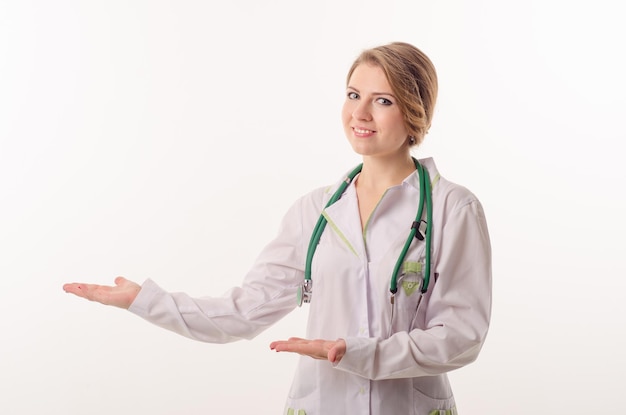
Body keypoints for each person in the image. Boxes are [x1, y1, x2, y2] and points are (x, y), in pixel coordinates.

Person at [63, 42, 492, 415]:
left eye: (382, 100)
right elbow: (242, 313)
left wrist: (357, 353)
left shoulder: (453, 209)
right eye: (353, 94)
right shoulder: (315, 212)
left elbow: (461, 337)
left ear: (414, 110)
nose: (359, 112)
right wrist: (144, 300)